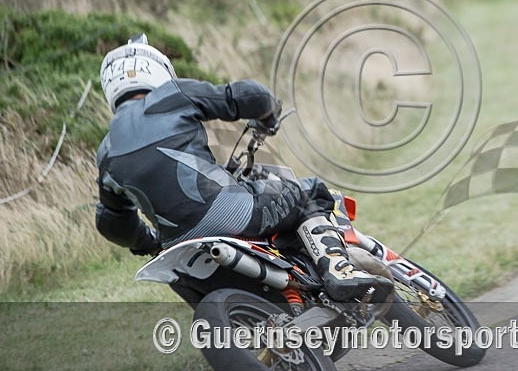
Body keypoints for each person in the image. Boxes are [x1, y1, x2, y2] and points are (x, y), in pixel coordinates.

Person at [94, 34, 391, 302]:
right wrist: (268, 115)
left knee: (180, 275)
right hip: (229, 211)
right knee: (307, 192)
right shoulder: (172, 96)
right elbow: (248, 96)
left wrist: (147, 242)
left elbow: (113, 223)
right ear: (158, 69)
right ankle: (339, 271)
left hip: (176, 246)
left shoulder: (105, 152)